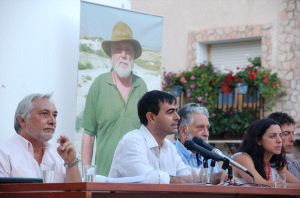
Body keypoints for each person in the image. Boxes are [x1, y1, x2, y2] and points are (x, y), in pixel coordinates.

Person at [81, 21, 148, 176]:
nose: (123, 55)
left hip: (137, 179)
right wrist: (86, 175)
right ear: (111, 54)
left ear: (133, 56)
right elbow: (88, 135)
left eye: (128, 50)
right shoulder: (98, 85)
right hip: (104, 177)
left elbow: (148, 134)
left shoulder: (142, 86)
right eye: (118, 49)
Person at [109, 90, 192, 184]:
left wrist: (204, 177)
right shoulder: (132, 141)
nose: (177, 117)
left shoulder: (170, 147)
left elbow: (186, 175)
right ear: (151, 117)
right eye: (170, 112)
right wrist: (177, 180)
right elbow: (146, 178)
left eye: (176, 111)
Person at [0, 93, 81, 182]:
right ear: (22, 120)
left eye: (54, 115)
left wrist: (71, 162)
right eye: (44, 114)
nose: (52, 121)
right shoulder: (4, 154)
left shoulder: (58, 157)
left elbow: (76, 193)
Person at [232, 118, 300, 187]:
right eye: (273, 136)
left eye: (280, 135)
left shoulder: (276, 164)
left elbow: (297, 184)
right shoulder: (242, 157)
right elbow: (262, 185)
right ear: (258, 140)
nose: (279, 140)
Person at [175, 103, 225, 184]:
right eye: (200, 127)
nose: (206, 134)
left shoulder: (209, 156)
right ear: (183, 130)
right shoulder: (171, 153)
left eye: (207, 128)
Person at [268, 112, 300, 179]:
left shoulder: (294, 164)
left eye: (293, 133)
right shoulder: (259, 165)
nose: (293, 139)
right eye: (286, 134)